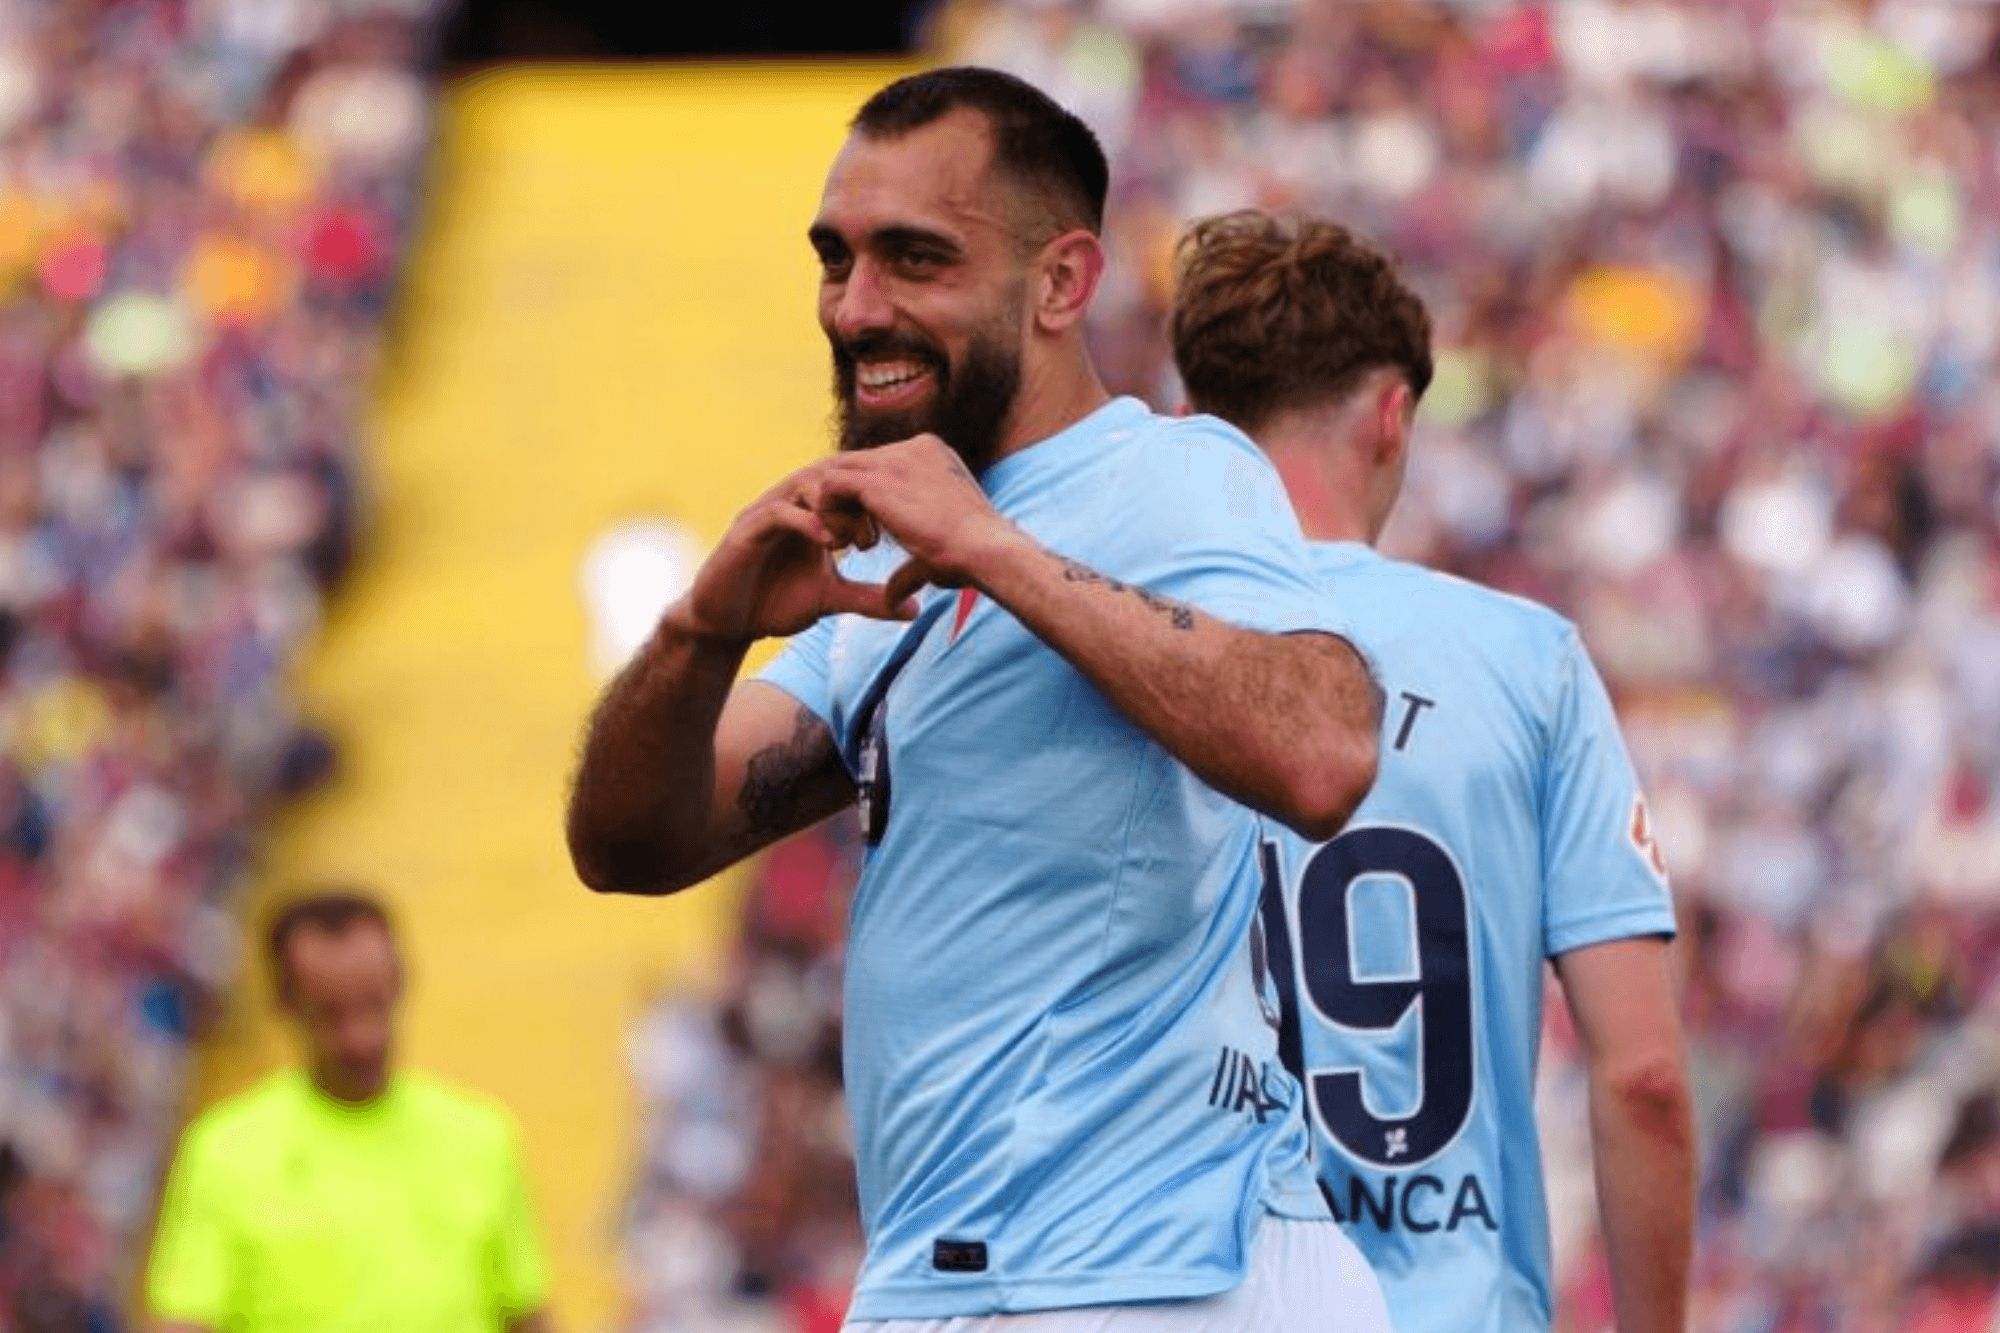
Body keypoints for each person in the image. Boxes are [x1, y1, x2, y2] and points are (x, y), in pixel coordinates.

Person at [566, 68, 1388, 1330]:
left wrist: (994, 552)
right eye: (835, 260)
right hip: (965, 1274)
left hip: (1149, 1275)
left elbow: (1326, 748)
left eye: (915, 260)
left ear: (1060, 282)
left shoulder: (1168, 473)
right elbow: (629, 845)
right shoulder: (887, 560)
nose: (856, 308)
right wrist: (700, 627)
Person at [1167, 209, 1696, 1333]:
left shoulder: (1121, 652)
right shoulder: (1524, 661)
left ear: (1193, 424)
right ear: (1392, 414)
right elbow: (1642, 1075)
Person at [146, 891, 554, 1333]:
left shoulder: (481, 1138)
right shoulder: (225, 1152)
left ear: (400, 984)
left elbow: (526, 1316)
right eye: (331, 1015)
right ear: (286, 1004)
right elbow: (185, 1320)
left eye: (374, 1005)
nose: (361, 1037)